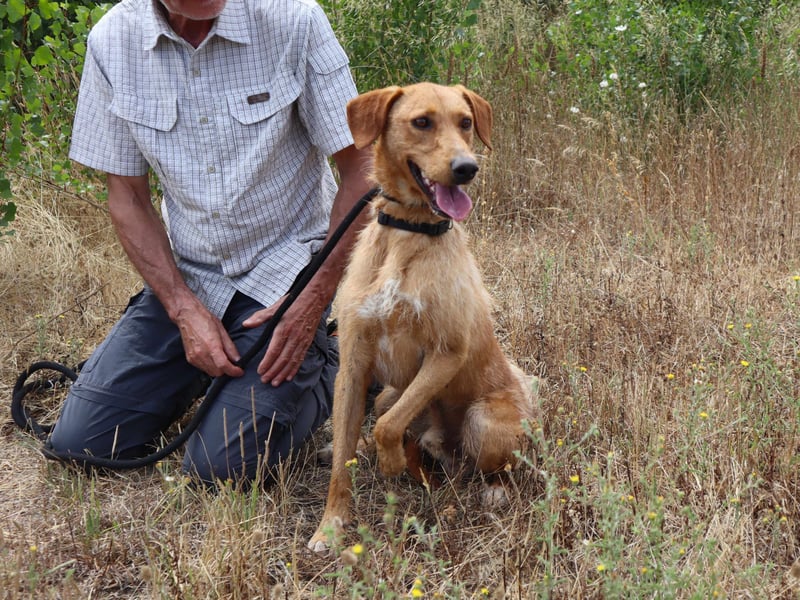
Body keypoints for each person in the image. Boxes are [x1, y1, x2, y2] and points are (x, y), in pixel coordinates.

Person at [46, 0, 373, 484]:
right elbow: (128, 198)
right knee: (83, 445)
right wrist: (180, 308)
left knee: (220, 471)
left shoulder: (294, 19)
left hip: (289, 276)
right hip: (193, 278)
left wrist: (312, 299)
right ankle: (213, 369)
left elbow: (362, 171)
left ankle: (341, 363)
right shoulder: (112, 40)